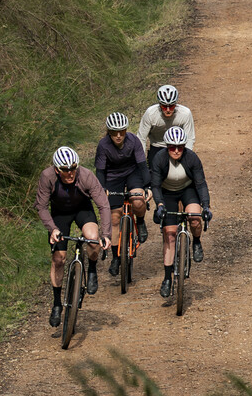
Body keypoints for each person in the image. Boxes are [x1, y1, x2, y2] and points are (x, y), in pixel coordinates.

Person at [34, 145, 110, 330]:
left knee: (92, 239)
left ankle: (91, 269)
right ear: (56, 170)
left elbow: (103, 205)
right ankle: (57, 303)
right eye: (66, 170)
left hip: (83, 210)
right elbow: (41, 207)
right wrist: (52, 229)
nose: (70, 173)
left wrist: (106, 235)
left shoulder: (85, 176)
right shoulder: (47, 177)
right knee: (59, 259)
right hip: (60, 214)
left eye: (73, 168)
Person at [150, 132, 210, 300]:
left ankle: (196, 241)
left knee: (195, 217)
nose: (176, 151)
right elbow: (155, 185)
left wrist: (205, 206)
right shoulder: (159, 159)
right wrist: (160, 204)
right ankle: (167, 278)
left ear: (184, 147)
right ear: (166, 147)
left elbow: (201, 183)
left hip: (188, 190)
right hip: (167, 193)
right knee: (169, 234)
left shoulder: (192, 158)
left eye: (180, 147)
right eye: (172, 147)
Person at [95, 111, 150, 267]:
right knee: (114, 217)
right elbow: (100, 171)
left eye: (122, 132)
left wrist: (147, 186)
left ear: (126, 130)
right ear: (109, 132)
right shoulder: (103, 145)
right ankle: (115, 257)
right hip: (112, 177)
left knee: (138, 201)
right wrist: (102, 188)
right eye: (114, 132)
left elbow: (142, 166)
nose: (118, 136)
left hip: (133, 173)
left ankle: (140, 222)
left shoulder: (134, 141)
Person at [137, 84, 196, 155]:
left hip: (177, 146)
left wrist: (186, 157)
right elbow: (141, 138)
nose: (168, 110)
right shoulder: (150, 114)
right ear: (159, 104)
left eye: (171, 106)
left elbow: (190, 138)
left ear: (176, 104)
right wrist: (141, 161)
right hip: (157, 146)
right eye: (164, 106)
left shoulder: (185, 113)